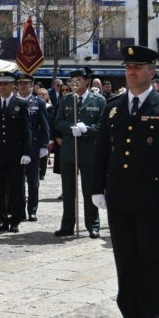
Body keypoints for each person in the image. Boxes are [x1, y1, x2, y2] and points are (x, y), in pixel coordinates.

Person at [92, 45, 159, 318]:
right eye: (128, 67)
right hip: (119, 198)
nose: (131, 72)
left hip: (153, 200)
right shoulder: (114, 107)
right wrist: (97, 188)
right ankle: (129, 313)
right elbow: (102, 152)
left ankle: (148, 315)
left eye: (138, 67)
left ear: (152, 72)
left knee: (149, 259)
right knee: (125, 258)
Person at [54, 67, 107, 238]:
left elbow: (103, 126)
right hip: (69, 151)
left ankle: (93, 225)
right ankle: (67, 225)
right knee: (68, 191)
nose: (75, 82)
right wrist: (71, 128)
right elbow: (58, 122)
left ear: (86, 81)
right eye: (73, 80)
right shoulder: (66, 100)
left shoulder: (98, 100)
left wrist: (86, 129)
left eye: (78, 79)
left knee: (90, 190)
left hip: (90, 152)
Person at [0, 71, 31, 233]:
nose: (3, 87)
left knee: (17, 187)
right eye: (0, 84)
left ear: (12, 85)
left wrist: (27, 152)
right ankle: (2, 218)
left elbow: (27, 130)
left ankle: (15, 219)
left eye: (6, 84)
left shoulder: (21, 103)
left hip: (16, 153)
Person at [15, 73, 50, 221]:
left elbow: (44, 125)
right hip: (16, 147)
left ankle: (32, 210)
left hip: (33, 147)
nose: (23, 86)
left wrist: (44, 145)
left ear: (32, 85)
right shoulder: (13, 101)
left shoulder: (38, 102)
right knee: (17, 182)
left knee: (33, 183)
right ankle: (19, 210)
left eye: (26, 83)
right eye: (21, 83)